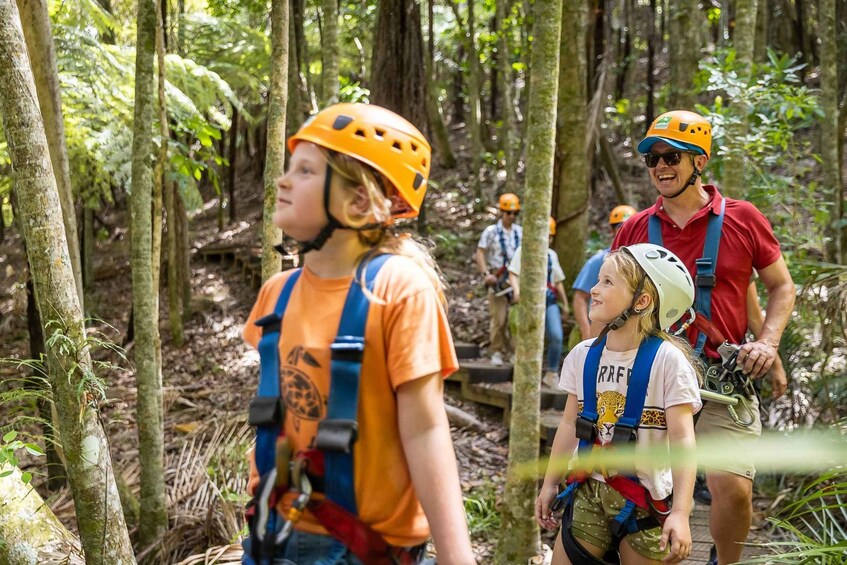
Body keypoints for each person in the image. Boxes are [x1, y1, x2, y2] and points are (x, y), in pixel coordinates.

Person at [240, 103, 475, 565]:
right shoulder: (276, 295)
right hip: (273, 534)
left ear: (359, 202)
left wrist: (456, 556)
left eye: (305, 170)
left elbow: (426, 429)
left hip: (363, 548)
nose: (284, 181)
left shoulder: (398, 289)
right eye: (290, 168)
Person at [613, 110, 796, 565]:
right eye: (652, 159)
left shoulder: (742, 219)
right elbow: (610, 299)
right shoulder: (634, 229)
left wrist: (768, 345)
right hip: (652, 378)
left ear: (699, 161)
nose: (660, 167)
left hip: (721, 380)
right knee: (643, 486)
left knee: (733, 489)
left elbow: (778, 286)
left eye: (671, 156)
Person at [535, 243, 701, 565]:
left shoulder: (668, 362)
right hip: (587, 492)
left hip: (644, 503)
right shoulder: (583, 356)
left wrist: (680, 513)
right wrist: (550, 483)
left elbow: (683, 440)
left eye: (608, 282)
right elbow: (570, 424)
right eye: (598, 280)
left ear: (641, 301)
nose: (593, 290)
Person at [507, 217, 569, 387]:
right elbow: (513, 272)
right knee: (527, 335)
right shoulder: (524, 251)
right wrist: (517, 291)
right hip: (530, 302)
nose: (547, 240)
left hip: (549, 300)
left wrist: (565, 305)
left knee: (556, 336)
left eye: (550, 236)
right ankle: (524, 371)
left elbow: (557, 281)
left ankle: (551, 372)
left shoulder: (551, 255)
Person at [572, 205, 637, 341]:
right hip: (600, 330)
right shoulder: (601, 260)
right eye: (620, 226)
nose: (624, 229)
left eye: (629, 225)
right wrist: (586, 330)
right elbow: (579, 298)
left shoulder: (639, 263)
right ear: (612, 230)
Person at [474, 193, 523, 365]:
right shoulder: (491, 232)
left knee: (515, 320)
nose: (512, 216)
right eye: (509, 213)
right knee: (499, 319)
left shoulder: (521, 232)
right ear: (501, 212)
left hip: (516, 279)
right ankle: (496, 350)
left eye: (515, 213)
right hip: (498, 278)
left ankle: (514, 352)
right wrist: (486, 274)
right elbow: (480, 252)